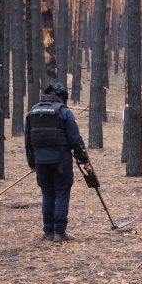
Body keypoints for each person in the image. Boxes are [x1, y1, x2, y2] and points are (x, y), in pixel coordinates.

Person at [25, 83, 90, 242]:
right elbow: (75, 139)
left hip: (41, 161)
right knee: (61, 193)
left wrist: (32, 163)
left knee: (47, 193)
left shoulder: (32, 112)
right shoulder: (64, 112)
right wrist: (84, 160)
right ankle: (59, 232)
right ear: (63, 97)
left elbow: (28, 141)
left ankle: (48, 231)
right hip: (60, 161)